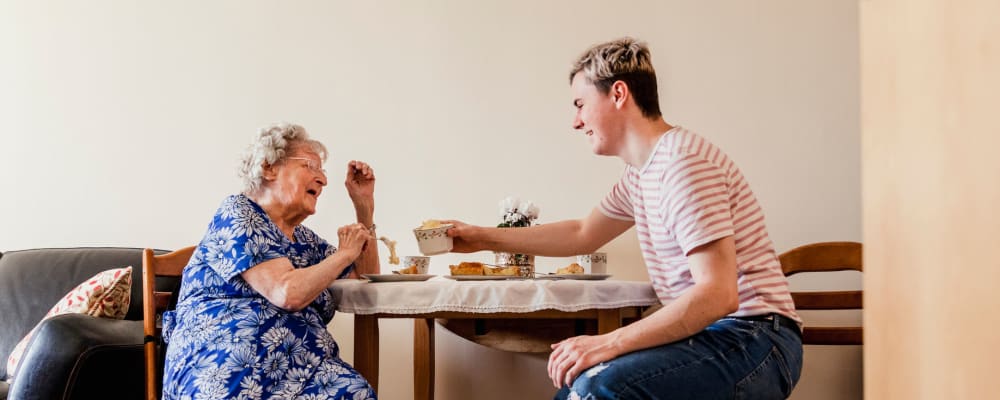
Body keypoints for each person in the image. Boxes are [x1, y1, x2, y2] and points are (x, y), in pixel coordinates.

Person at [444, 38, 803, 399]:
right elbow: (582, 233)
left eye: (581, 104)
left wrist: (607, 343)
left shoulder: (684, 163)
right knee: (576, 387)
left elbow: (719, 293)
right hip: (717, 335)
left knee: (595, 388)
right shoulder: (642, 173)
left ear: (618, 94)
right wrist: (480, 237)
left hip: (756, 339)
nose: (576, 121)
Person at [161, 123, 379, 399]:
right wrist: (344, 254)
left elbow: (366, 279)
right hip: (227, 366)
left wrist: (364, 208)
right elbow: (286, 292)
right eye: (310, 165)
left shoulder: (305, 240)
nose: (323, 179)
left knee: (355, 393)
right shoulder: (238, 213)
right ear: (268, 167)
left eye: (322, 171)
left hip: (303, 370)